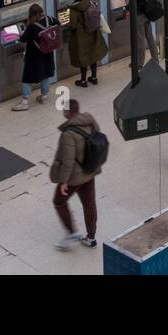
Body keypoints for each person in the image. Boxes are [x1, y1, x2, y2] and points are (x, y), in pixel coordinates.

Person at [51, 98, 102, 249]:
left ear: (67, 112)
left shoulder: (68, 133)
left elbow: (68, 161)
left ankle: (72, 233)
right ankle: (91, 237)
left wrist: (64, 182)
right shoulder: (90, 120)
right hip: (90, 169)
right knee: (89, 204)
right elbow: (98, 137)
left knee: (59, 202)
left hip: (75, 176)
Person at [12, 2, 56, 110]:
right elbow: (58, 24)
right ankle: (44, 96)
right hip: (47, 53)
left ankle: (24, 102)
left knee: (27, 78)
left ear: (31, 14)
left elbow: (23, 39)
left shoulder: (32, 26)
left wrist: (17, 35)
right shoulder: (49, 19)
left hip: (34, 57)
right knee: (45, 74)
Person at [67, 0, 106, 87]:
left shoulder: (73, 9)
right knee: (93, 55)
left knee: (83, 58)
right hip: (93, 33)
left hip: (81, 37)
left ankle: (83, 81)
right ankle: (94, 78)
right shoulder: (89, 2)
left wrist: (66, 26)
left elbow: (73, 25)